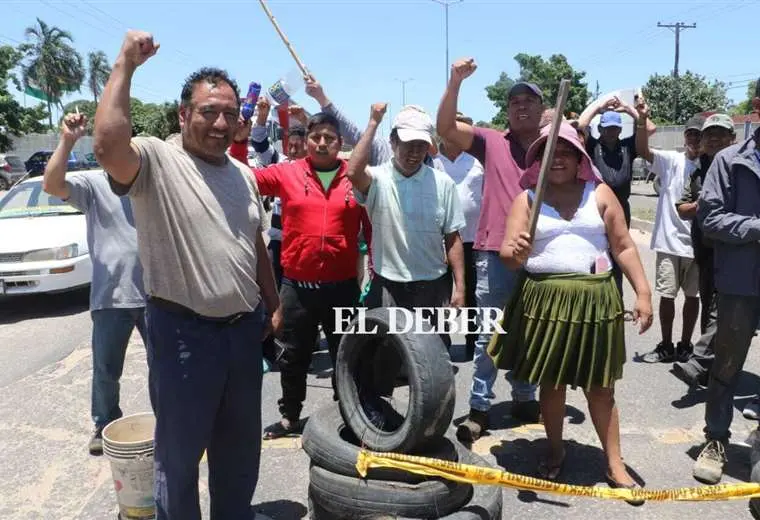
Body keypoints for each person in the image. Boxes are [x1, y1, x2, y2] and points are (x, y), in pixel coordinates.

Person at [93, 30, 280, 520]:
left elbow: (254, 240)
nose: (220, 123)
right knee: (178, 458)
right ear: (183, 115)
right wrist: (126, 64)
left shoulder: (241, 174)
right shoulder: (158, 158)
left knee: (240, 452)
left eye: (229, 114)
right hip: (183, 335)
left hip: (242, 333)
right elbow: (109, 146)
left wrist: (273, 302)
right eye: (207, 112)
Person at [487, 122, 652, 505]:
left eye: (565, 151)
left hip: (596, 302)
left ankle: (614, 464)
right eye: (548, 153)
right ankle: (555, 449)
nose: (557, 159)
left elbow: (624, 245)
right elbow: (509, 259)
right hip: (544, 303)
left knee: (601, 387)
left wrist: (643, 292)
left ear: (579, 158)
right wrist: (519, 250)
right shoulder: (526, 199)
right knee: (553, 383)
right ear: (537, 162)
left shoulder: (601, 193)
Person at [229, 110, 365, 441]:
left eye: (329, 138)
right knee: (292, 356)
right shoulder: (288, 173)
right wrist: (239, 142)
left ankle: (348, 414)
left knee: (346, 356)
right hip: (296, 288)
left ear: (340, 143)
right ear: (306, 141)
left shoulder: (356, 178)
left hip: (342, 287)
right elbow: (243, 177)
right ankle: (290, 416)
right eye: (315, 137)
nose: (321, 143)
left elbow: (372, 226)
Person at [436, 57, 543, 442]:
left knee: (532, 331)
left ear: (542, 109)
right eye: (515, 101)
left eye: (529, 100)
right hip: (495, 254)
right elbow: (445, 127)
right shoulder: (491, 142)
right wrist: (455, 82)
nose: (521, 106)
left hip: (542, 254)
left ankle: (526, 396)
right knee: (489, 334)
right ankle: (480, 407)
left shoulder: (555, 146)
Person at [345, 102, 466, 422]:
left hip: (432, 285)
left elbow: (453, 237)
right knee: (382, 353)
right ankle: (374, 413)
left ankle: (430, 415)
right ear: (393, 142)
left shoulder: (442, 184)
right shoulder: (377, 179)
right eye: (407, 144)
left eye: (420, 145)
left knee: (433, 357)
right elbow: (352, 172)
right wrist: (372, 122)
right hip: (389, 285)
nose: (413, 152)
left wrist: (460, 288)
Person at [42, 111, 147, 457]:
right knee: (106, 369)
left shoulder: (150, 179)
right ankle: (104, 424)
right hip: (111, 295)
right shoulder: (92, 184)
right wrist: (68, 141)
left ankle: (172, 419)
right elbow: (53, 185)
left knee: (165, 367)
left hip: (158, 294)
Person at [692, 92, 760, 485]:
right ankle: (715, 439)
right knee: (727, 365)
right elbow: (710, 219)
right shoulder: (729, 161)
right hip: (739, 283)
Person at [671, 114, 736, 389]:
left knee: (723, 311)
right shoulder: (698, 171)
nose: (714, 140)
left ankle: (703, 363)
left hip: (734, 254)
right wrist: (702, 204)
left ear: (732, 139)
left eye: (721, 135)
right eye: (709, 135)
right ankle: (710, 367)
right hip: (705, 254)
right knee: (711, 308)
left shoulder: (739, 168)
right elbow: (682, 209)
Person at [634, 106, 702, 364]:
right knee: (667, 295)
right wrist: (641, 122)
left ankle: (686, 344)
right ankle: (666, 345)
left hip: (697, 245)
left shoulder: (711, 165)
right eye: (691, 135)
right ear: (685, 137)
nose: (695, 140)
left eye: (699, 136)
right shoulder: (672, 160)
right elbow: (643, 151)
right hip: (669, 241)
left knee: (693, 297)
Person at [577, 95, 657, 296]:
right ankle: (593, 296)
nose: (611, 132)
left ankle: (615, 300)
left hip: (621, 208)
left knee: (619, 252)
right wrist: (598, 106)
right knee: (595, 253)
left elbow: (650, 129)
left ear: (620, 129)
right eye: (607, 128)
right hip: (594, 208)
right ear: (600, 129)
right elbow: (580, 125)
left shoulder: (628, 146)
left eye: (615, 128)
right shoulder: (591, 146)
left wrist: (629, 109)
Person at [435, 112, 484, 360]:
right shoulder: (431, 161)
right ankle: (438, 348)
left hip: (473, 239)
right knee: (440, 296)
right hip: (440, 242)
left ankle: (472, 344)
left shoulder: (478, 161)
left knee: (473, 294)